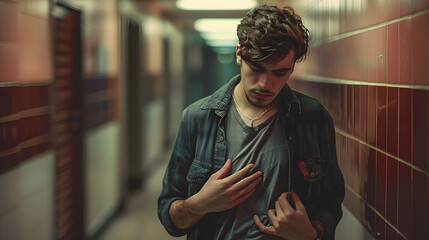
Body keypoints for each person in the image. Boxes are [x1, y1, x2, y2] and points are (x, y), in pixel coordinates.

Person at [158, 4, 345, 240]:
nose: (265, 84)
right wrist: (200, 204)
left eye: (279, 73)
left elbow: (331, 200)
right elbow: (170, 218)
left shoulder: (312, 118)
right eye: (256, 68)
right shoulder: (197, 118)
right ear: (239, 54)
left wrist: (311, 233)